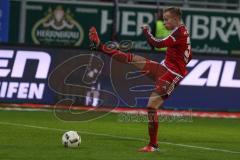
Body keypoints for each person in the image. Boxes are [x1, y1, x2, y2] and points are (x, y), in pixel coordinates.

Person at [89, 7, 192, 152]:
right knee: (132, 58)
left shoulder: (179, 32)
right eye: (164, 19)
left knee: (151, 106)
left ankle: (153, 145)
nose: (164, 22)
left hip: (173, 74)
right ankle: (100, 46)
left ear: (175, 19)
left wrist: (146, 31)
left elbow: (157, 44)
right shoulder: (182, 31)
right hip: (164, 68)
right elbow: (189, 54)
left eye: (166, 19)